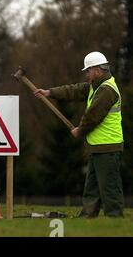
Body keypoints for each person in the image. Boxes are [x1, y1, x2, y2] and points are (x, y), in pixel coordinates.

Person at [34, 51, 124, 218]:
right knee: (92, 186)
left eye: (88, 71)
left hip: (108, 147)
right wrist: (50, 93)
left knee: (109, 186)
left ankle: (115, 217)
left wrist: (80, 130)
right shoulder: (95, 86)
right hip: (97, 147)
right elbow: (73, 91)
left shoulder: (107, 90)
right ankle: (87, 216)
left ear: (97, 70)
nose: (87, 75)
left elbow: (93, 116)